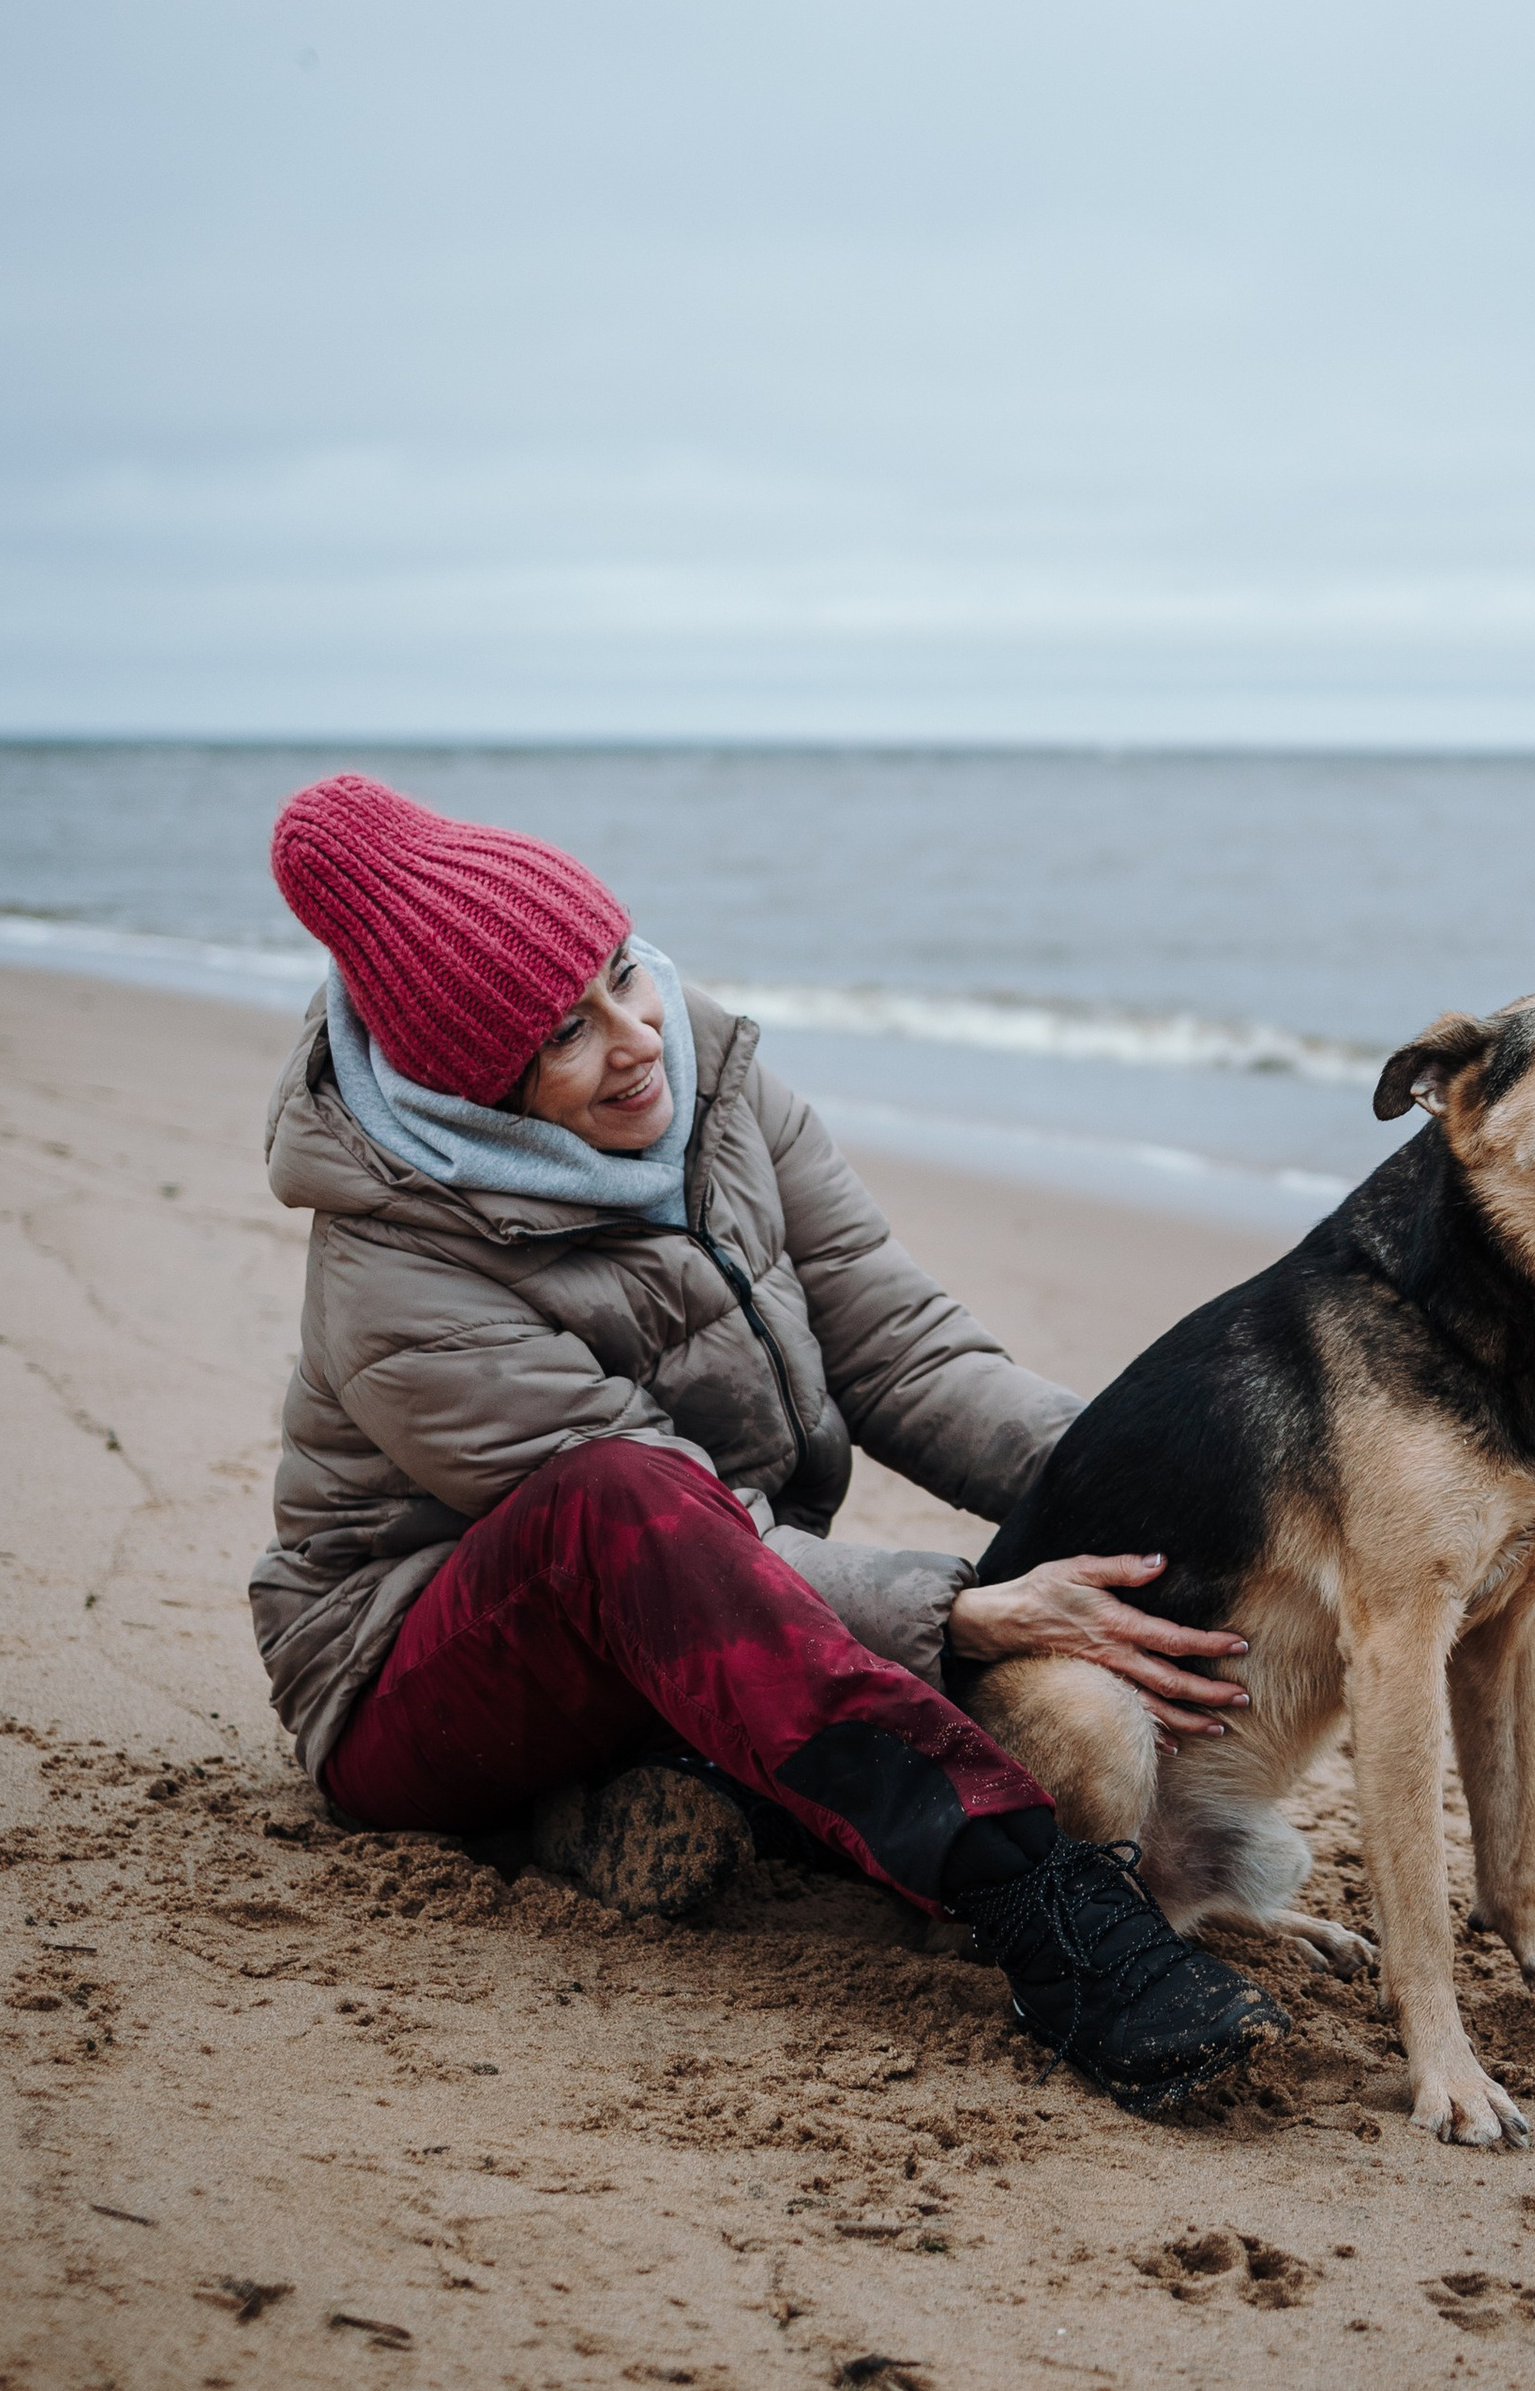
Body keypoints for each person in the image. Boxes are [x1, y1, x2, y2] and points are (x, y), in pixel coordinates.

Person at [251, 772, 1282, 2115]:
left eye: (625, 974)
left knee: (979, 1618)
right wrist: (970, 1608)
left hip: (712, 1624)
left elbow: (905, 1346)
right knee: (616, 1497)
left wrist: (1166, 1478)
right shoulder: (398, 1272)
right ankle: (1049, 1915)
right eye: (569, 1030)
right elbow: (678, 1532)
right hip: (414, 1680)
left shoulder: (717, 1082)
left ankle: (620, 1810)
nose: (639, 1040)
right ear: (476, 1091)